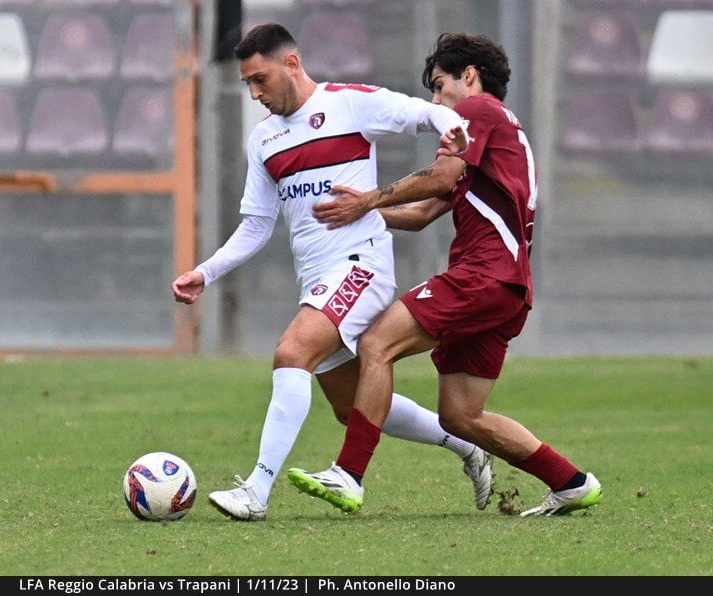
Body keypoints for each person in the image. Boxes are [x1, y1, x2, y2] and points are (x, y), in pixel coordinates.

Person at [172, 24, 493, 522]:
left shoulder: (349, 104)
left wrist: (450, 124)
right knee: (350, 406)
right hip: (317, 279)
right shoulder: (265, 139)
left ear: (291, 64)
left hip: (361, 265)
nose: (254, 93)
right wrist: (206, 272)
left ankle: (257, 491)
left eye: (260, 79)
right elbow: (256, 225)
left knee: (291, 352)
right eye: (247, 83)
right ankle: (466, 445)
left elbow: (421, 112)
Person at [288, 33, 603, 517]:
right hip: (508, 287)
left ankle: (348, 475)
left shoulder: (477, 112)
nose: (436, 102)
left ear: (469, 76)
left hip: (482, 275)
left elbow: (437, 176)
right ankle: (572, 482)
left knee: (376, 344)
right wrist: (354, 213)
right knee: (461, 415)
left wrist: (367, 198)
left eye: (439, 86)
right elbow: (420, 213)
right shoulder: (499, 136)